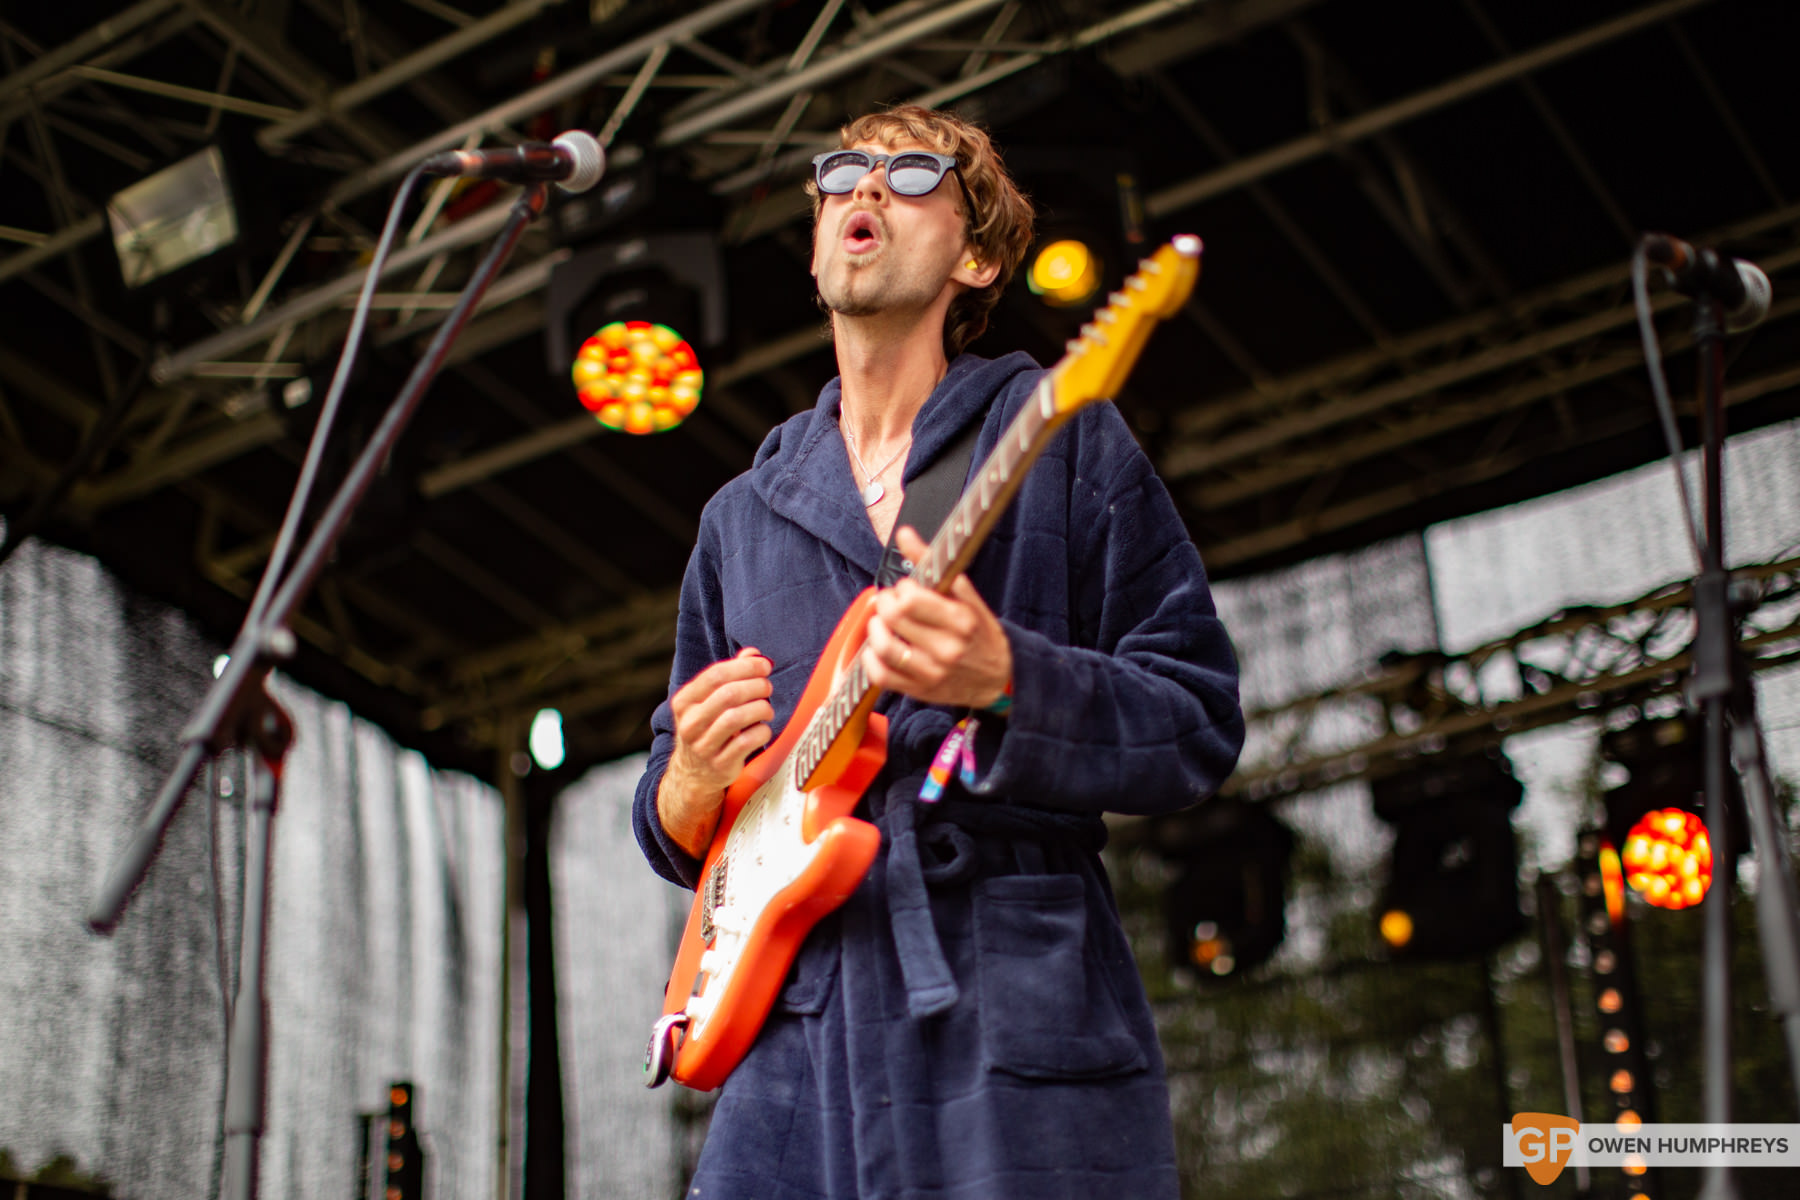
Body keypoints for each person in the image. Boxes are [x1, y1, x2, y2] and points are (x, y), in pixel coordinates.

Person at [633, 104, 1243, 1200]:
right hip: (793, 1037)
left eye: (913, 174)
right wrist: (684, 784)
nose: (866, 189)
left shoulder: (1060, 435)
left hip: (1004, 989)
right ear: (817, 241)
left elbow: (1194, 721)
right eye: (842, 175)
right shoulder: (741, 516)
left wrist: (1009, 681)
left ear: (979, 255)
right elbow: (670, 804)